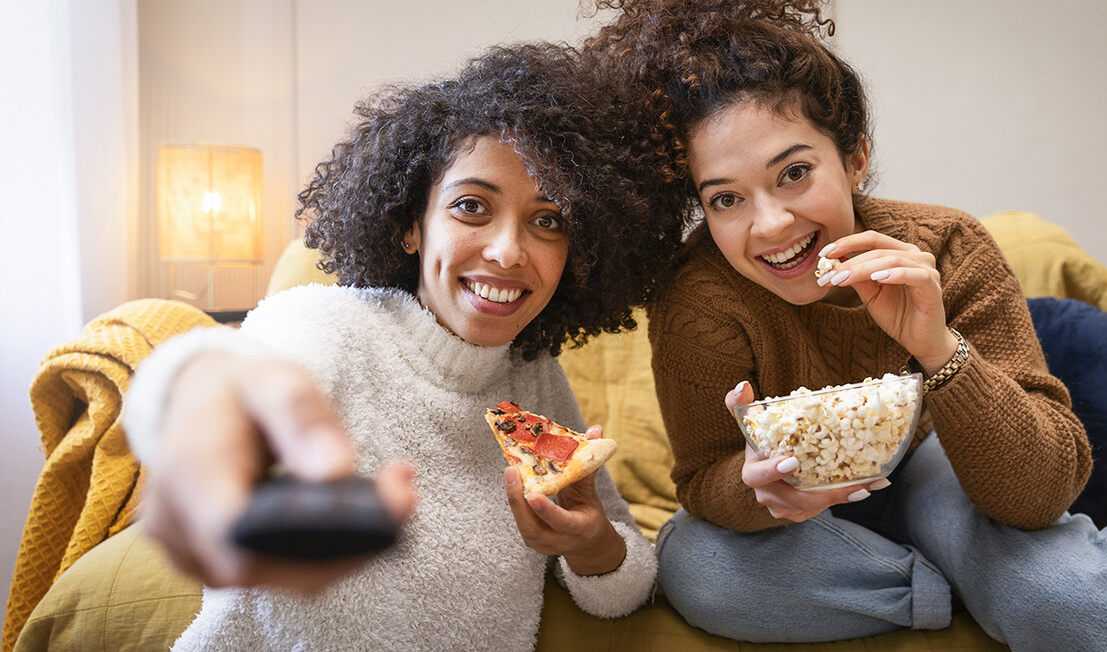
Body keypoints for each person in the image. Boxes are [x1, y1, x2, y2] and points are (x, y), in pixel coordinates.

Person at [582, 0, 1107, 649]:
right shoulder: (697, 296)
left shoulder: (950, 245)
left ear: (854, 159)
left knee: (1041, 577)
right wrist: (754, 487)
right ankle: (984, 587)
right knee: (697, 566)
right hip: (810, 531)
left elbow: (1042, 491)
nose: (769, 225)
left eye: (794, 172)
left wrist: (940, 350)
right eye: (725, 198)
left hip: (946, 471)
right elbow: (704, 481)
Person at [122, 43, 686, 650]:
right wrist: (196, 407)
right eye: (472, 207)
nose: (508, 251)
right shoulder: (323, 323)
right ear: (410, 225)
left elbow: (623, 585)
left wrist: (590, 543)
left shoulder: (535, 379)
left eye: (548, 220)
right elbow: (228, 378)